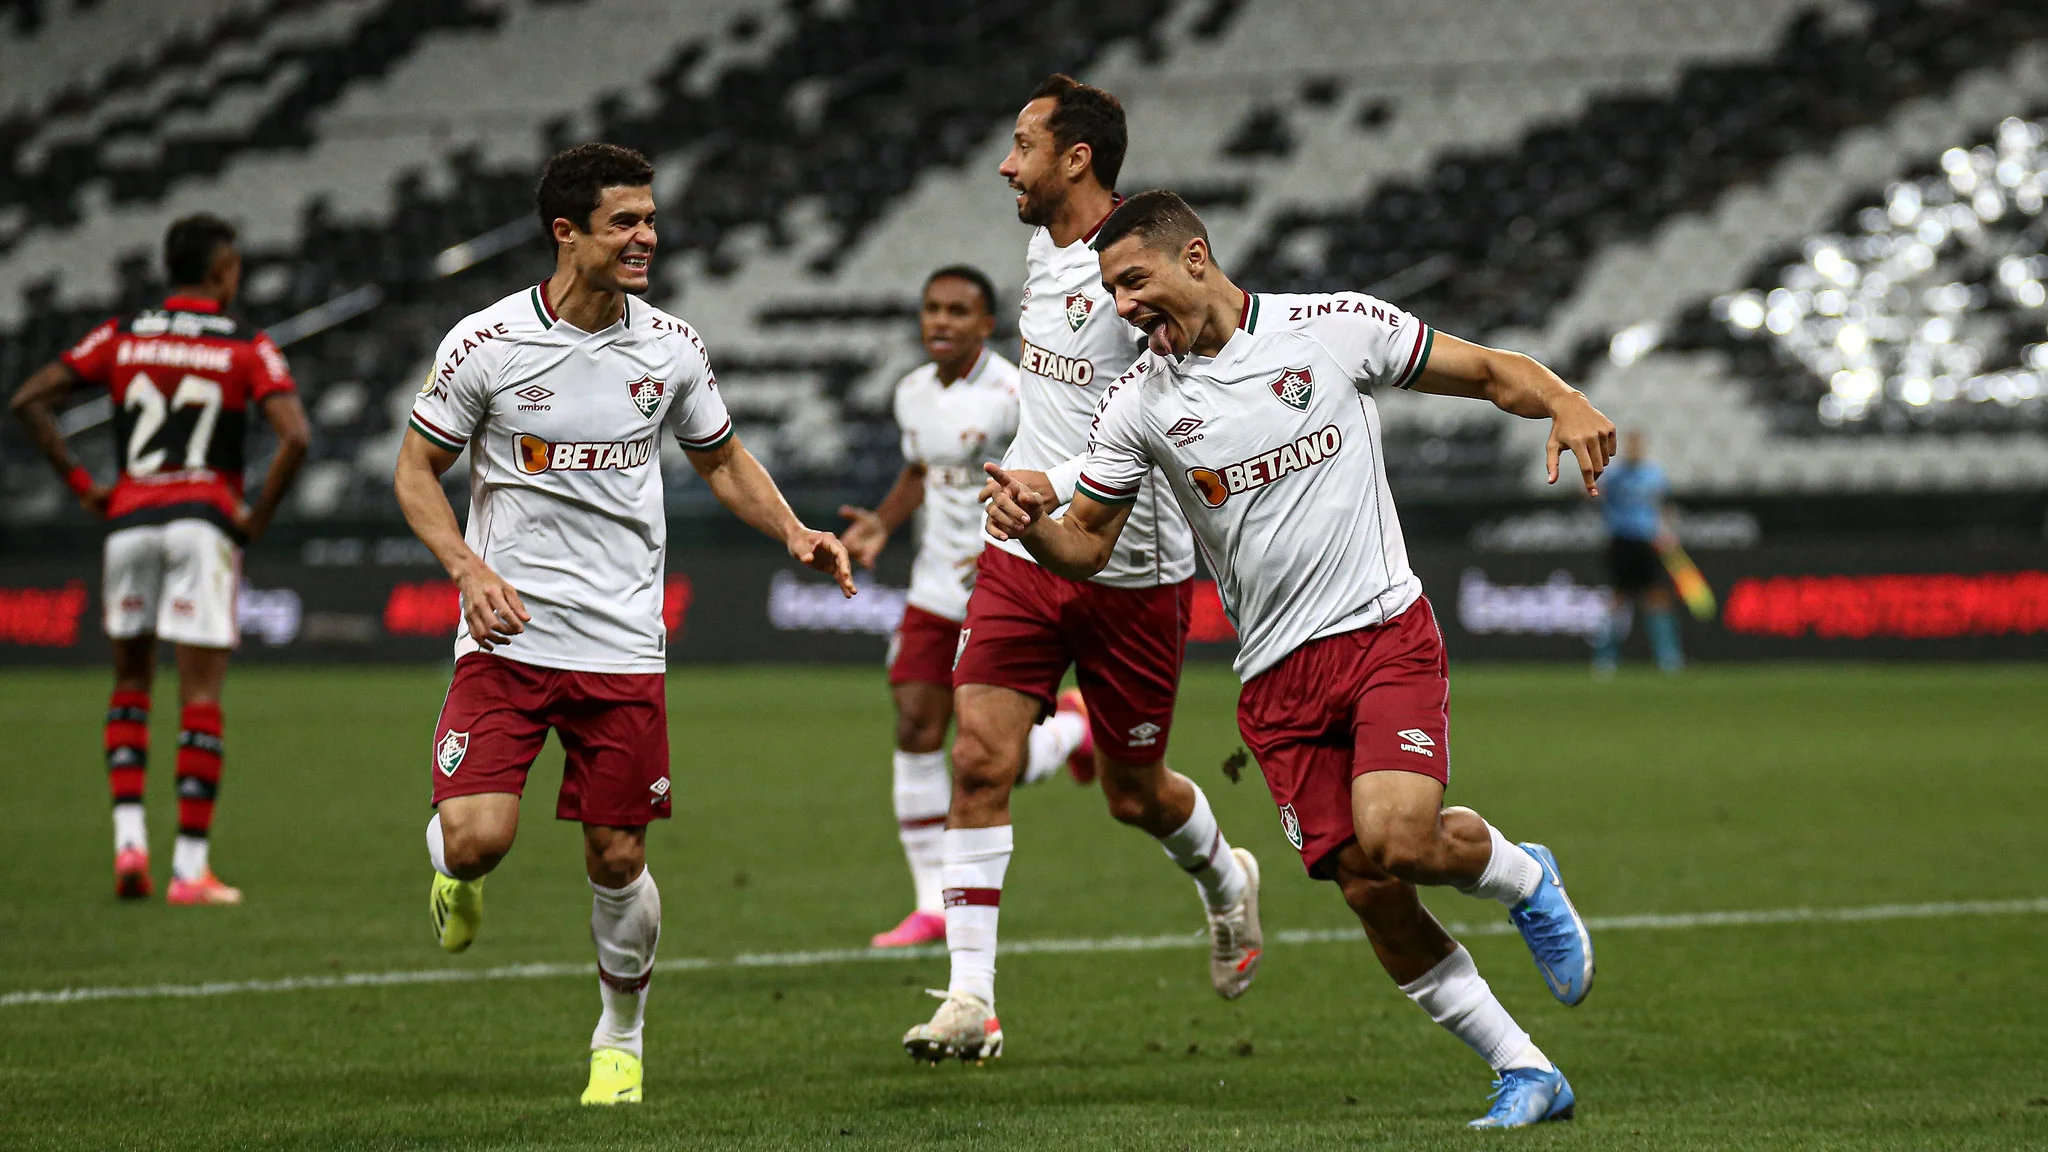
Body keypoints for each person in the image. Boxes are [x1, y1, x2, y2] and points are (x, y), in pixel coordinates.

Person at [982, 190, 1612, 1129]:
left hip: (1380, 632)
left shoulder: (1332, 328)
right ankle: (1525, 1071)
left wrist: (1562, 400)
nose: (1124, 307)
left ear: (1195, 257)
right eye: (1112, 292)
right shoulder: (1138, 403)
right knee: (1367, 882)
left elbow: (1483, 371)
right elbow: (1088, 544)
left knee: (1399, 838)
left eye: (1134, 281)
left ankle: (1524, 877)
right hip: (1274, 677)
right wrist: (1033, 528)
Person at [393, 143, 854, 1106]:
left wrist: (794, 530)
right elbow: (413, 472)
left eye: (649, 218)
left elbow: (721, 459)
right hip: (509, 640)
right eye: (625, 223)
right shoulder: (484, 344)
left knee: (619, 855)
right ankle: (454, 874)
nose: (648, 237)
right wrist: (467, 567)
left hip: (621, 647)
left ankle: (620, 1041)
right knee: (475, 840)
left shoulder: (671, 347)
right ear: (568, 233)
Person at [902, 77, 1262, 1066]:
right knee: (977, 759)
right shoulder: (1039, 243)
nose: (1005, 164)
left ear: (1076, 159)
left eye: (1022, 145)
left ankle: (1226, 880)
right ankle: (971, 1002)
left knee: (1133, 794)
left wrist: (1047, 476)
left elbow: (1158, 428)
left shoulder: (1140, 276)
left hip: (1130, 569)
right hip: (1023, 551)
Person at [9, 214, 311, 906]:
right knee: (199, 697)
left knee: (129, 684)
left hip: (130, 522)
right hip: (202, 522)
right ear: (224, 271)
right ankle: (190, 869)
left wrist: (87, 491)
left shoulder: (123, 334)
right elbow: (294, 436)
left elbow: (29, 400)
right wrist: (255, 519)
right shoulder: (246, 345)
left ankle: (128, 845)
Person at [838, 265, 1091, 950]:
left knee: (988, 756)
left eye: (958, 311)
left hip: (999, 581)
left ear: (987, 323)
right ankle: (931, 904)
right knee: (917, 725)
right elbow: (922, 471)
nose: (940, 322)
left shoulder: (1015, 394)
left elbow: (1050, 479)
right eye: (931, 309)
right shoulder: (911, 393)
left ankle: (1070, 732)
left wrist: (1018, 547)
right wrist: (882, 525)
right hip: (931, 587)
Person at [1592, 430, 1682, 674]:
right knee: (1618, 600)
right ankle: (1605, 657)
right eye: (1630, 445)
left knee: (1657, 597)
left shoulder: (1654, 475)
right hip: (1621, 541)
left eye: (1637, 445)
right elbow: (1593, 494)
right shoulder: (1613, 475)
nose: (1634, 449)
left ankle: (1668, 657)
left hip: (1647, 541)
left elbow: (1665, 506)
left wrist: (1668, 533)